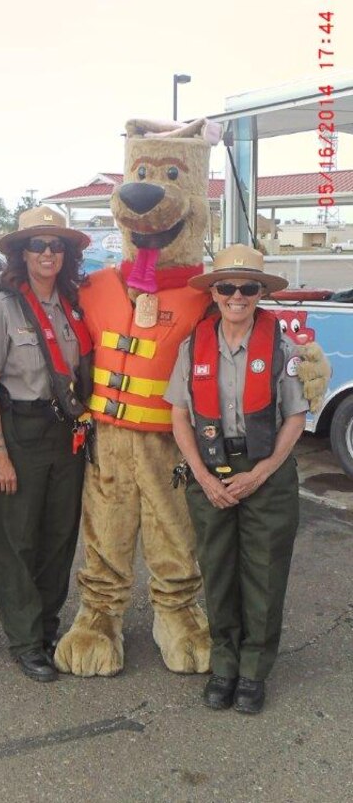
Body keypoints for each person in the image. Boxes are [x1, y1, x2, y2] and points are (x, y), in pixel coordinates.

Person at [164, 244, 309, 714]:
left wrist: (262, 473)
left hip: (266, 473)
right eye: (227, 287)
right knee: (219, 572)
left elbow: (295, 417)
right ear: (215, 293)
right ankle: (223, 666)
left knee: (264, 575)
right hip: (211, 474)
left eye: (248, 288)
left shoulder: (282, 346)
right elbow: (180, 414)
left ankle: (252, 672)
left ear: (261, 292)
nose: (237, 296)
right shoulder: (194, 344)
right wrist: (203, 477)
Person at [0, 206, 92, 682]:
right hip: (19, 431)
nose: (48, 253)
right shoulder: (4, 309)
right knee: (17, 537)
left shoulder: (73, 306)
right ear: (21, 255)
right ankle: (24, 640)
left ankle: (46, 625)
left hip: (66, 432)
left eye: (56, 246)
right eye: (38, 246)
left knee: (59, 534)